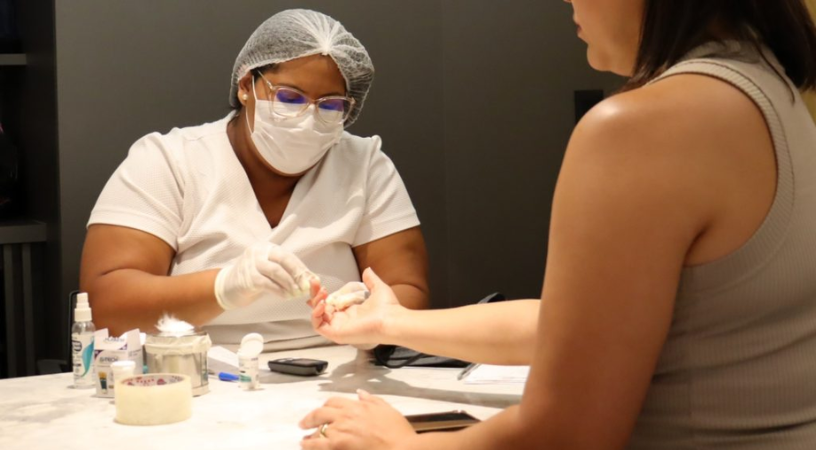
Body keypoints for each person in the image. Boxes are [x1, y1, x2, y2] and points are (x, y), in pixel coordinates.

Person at [301, 0, 816, 448]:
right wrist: (392, 323)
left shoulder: (646, 127)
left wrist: (402, 445)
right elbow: (585, 329)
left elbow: (566, 434)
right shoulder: (769, 92)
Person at [79, 9, 429, 350]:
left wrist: (372, 315)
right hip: (197, 368)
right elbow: (108, 307)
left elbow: (408, 291)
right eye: (289, 97)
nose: (308, 119)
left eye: (330, 105)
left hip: (339, 367)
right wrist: (223, 287)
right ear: (246, 85)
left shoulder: (362, 165)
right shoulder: (168, 162)